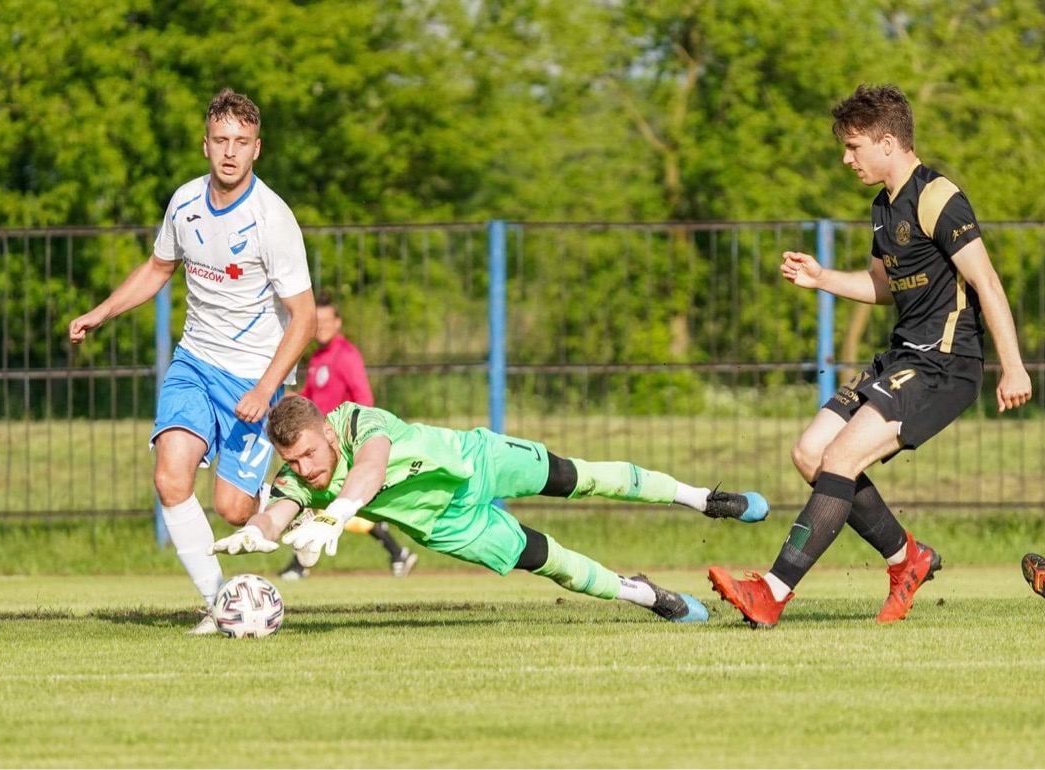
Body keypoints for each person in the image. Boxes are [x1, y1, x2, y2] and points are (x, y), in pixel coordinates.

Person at [708, 83, 1033, 628]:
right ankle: (909, 560)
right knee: (811, 454)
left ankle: (771, 592)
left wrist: (1014, 365)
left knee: (840, 460)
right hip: (903, 354)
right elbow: (886, 286)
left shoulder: (937, 197)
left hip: (943, 362)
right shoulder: (882, 208)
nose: (846, 158)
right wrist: (821, 279)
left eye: (853, 146)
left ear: (888, 142)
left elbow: (988, 283)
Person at [69, 89, 316, 635]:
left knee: (232, 509)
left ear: (257, 150)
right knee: (169, 476)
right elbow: (159, 268)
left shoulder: (272, 219)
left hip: (254, 375)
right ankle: (217, 603)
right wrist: (102, 311)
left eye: (242, 142)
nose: (230, 152)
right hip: (194, 362)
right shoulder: (184, 203)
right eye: (221, 140)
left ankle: (303, 498)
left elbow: (305, 318)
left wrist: (266, 387)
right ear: (205, 144)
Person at [208, 395, 771, 624]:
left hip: (479, 461)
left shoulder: (358, 421)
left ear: (326, 432)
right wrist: (257, 532)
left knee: (583, 477)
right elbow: (279, 509)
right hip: (451, 525)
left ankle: (704, 499)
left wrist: (341, 509)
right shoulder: (299, 478)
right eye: (294, 461)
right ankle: (648, 595)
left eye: (309, 454)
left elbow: (371, 468)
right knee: (552, 563)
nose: (306, 470)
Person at [278, 289, 418, 581]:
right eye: (318, 322)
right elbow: (309, 401)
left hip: (341, 447)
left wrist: (357, 443)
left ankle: (300, 565)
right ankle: (397, 553)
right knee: (338, 507)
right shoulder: (316, 359)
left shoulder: (347, 356)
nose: (323, 327)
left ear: (338, 323)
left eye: (328, 322)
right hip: (317, 449)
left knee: (333, 505)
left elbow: (364, 401)